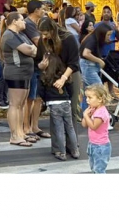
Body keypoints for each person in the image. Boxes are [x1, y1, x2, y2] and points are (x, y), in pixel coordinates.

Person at [37, 17, 80, 161]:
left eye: (46, 33)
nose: (44, 37)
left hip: (70, 74)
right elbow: (38, 60)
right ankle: (58, 148)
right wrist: (41, 67)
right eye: (42, 34)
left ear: (53, 30)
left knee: (71, 111)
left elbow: (74, 62)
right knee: (55, 118)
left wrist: (63, 78)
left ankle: (72, 146)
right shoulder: (43, 41)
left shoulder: (68, 39)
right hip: (50, 77)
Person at [2, 12, 37, 147]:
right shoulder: (9, 35)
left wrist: (32, 49)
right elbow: (29, 50)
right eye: (22, 20)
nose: (25, 22)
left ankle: (21, 132)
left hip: (25, 73)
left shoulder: (21, 34)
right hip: (15, 73)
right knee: (15, 104)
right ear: (15, 21)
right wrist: (32, 49)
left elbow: (34, 49)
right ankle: (14, 135)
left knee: (21, 104)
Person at [23, 0, 49, 141]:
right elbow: (38, 41)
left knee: (38, 97)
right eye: (42, 8)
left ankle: (35, 126)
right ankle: (26, 127)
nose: (44, 11)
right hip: (32, 64)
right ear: (35, 10)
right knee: (30, 98)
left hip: (41, 62)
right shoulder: (29, 24)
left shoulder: (38, 24)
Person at [78, 23, 113, 110]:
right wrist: (99, 60)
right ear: (102, 33)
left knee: (89, 92)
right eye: (108, 35)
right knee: (99, 91)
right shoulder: (92, 39)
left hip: (89, 66)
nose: (109, 37)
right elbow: (86, 53)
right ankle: (100, 114)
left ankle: (86, 115)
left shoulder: (95, 38)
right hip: (88, 66)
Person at [82, 84, 112, 174]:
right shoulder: (94, 109)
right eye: (86, 97)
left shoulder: (101, 112)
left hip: (101, 146)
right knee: (94, 169)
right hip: (92, 144)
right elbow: (84, 124)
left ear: (100, 99)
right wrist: (87, 116)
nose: (87, 100)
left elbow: (94, 126)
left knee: (99, 170)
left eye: (90, 98)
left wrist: (86, 115)